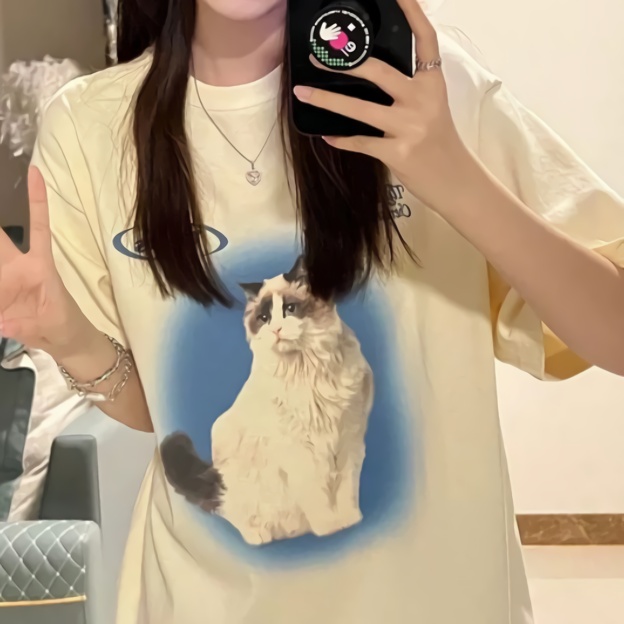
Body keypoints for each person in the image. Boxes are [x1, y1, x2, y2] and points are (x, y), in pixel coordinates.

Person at [0, 0, 622, 622]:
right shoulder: (88, 126)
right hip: (203, 601)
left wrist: (454, 177)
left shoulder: (425, 85)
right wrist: (68, 337)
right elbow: (161, 409)